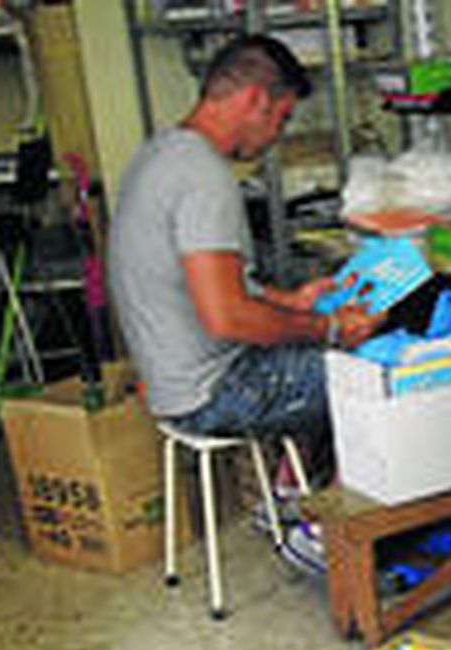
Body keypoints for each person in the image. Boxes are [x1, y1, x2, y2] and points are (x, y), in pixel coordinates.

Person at [108, 34, 380, 444]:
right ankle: (325, 503)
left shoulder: (159, 153)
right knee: (387, 370)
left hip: (174, 388)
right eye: (282, 118)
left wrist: (289, 302)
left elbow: (203, 282)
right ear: (256, 100)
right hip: (215, 392)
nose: (277, 135)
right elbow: (228, 317)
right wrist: (331, 328)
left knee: (343, 355)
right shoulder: (204, 174)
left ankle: (299, 489)